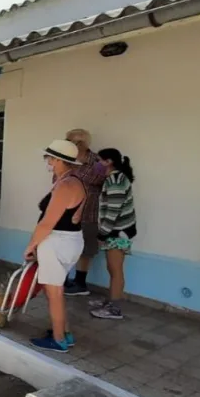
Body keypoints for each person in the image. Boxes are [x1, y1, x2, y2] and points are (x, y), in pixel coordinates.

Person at [26, 140, 86, 353]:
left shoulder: (65, 185)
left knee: (54, 293)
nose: (48, 162)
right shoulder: (74, 181)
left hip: (57, 242)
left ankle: (59, 339)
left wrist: (31, 246)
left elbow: (47, 223)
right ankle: (64, 333)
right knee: (55, 290)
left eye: (49, 158)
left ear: (59, 160)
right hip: (69, 241)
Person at [90, 148, 137, 320]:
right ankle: (111, 300)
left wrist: (103, 232)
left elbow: (113, 209)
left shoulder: (116, 179)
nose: (96, 165)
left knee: (116, 270)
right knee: (112, 268)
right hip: (115, 231)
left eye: (99, 161)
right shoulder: (112, 178)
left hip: (119, 232)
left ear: (108, 161)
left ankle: (115, 308)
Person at [63, 129, 107, 297]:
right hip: (66, 211)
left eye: (71, 142)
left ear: (81, 144)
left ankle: (80, 283)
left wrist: (73, 171)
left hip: (88, 212)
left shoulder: (96, 162)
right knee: (66, 247)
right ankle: (64, 279)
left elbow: (98, 180)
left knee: (85, 249)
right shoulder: (66, 159)